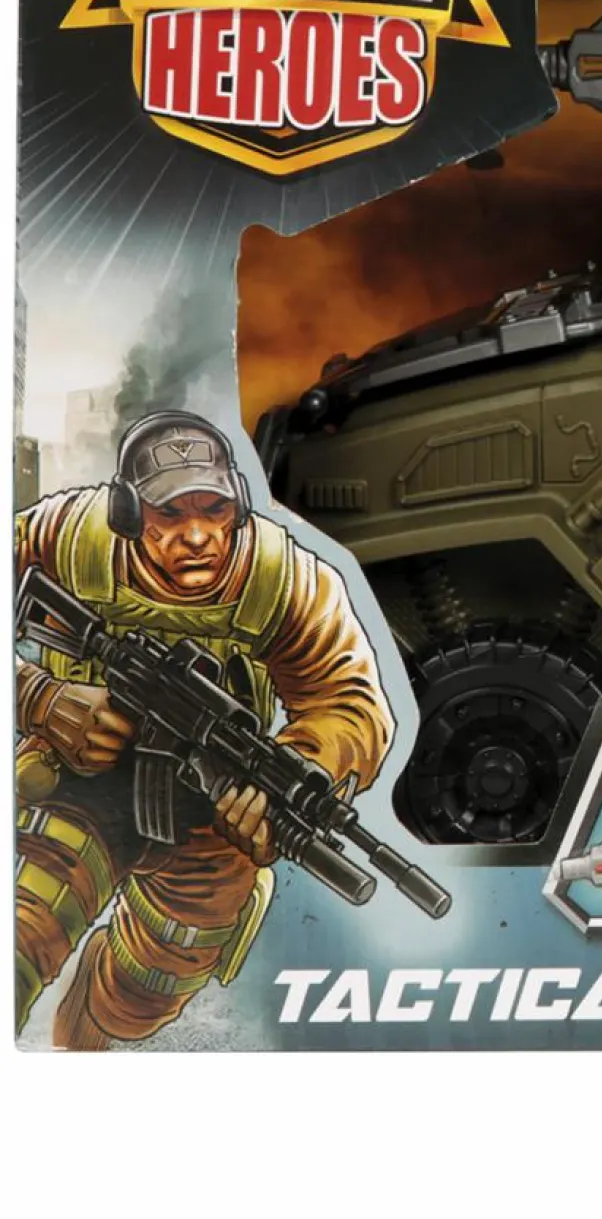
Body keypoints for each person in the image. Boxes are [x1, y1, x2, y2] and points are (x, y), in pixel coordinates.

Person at [14, 410, 392, 1048]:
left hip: (211, 820)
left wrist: (305, 766)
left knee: (141, 997)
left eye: (214, 510)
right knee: (20, 936)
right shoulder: (68, 537)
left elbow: (349, 701)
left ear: (237, 503)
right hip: (75, 783)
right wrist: (36, 697)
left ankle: (80, 1052)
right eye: (170, 513)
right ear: (129, 511)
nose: (196, 536)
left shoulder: (282, 579)